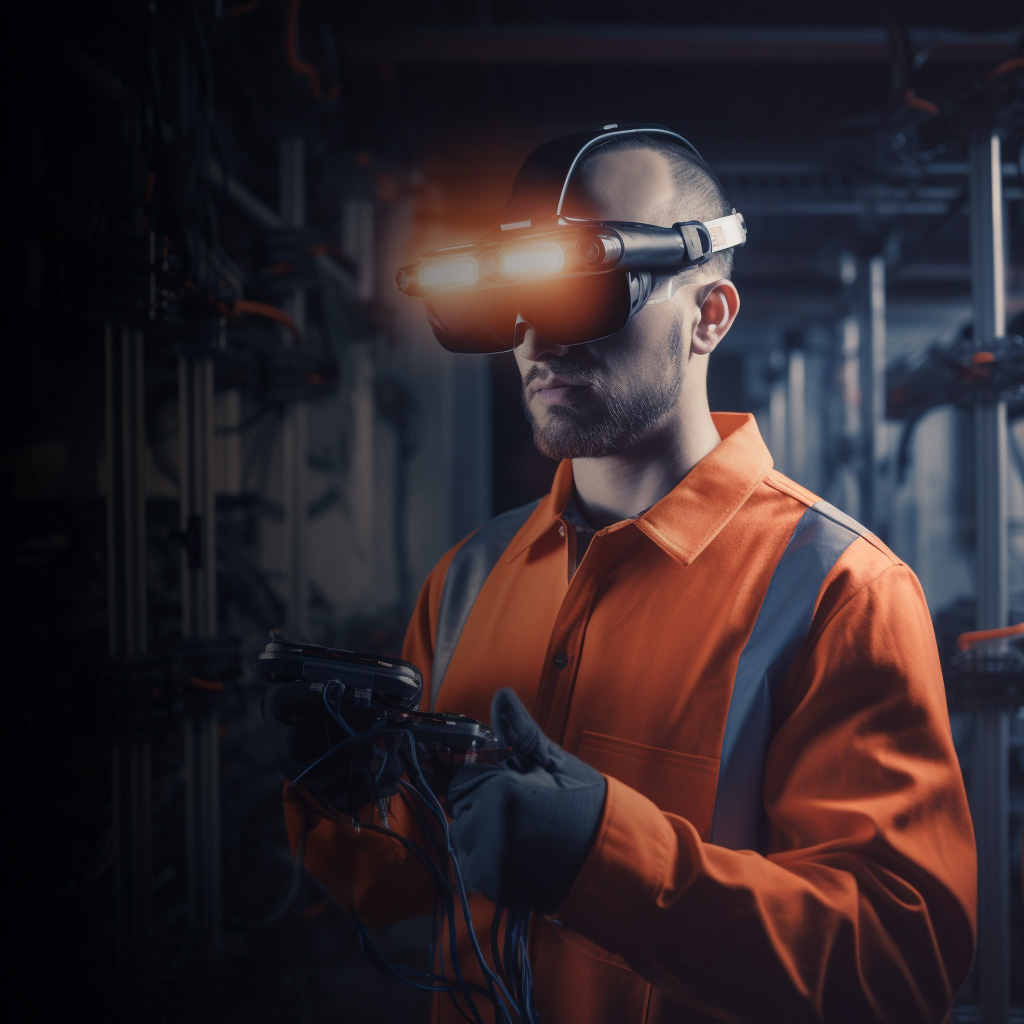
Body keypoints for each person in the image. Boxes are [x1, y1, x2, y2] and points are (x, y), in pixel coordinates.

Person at [276, 125, 977, 1023]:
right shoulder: (470, 577)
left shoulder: (841, 591)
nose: (536, 340)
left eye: (582, 289)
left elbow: (899, 967)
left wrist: (603, 862)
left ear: (710, 315)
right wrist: (343, 796)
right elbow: (410, 875)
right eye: (515, 296)